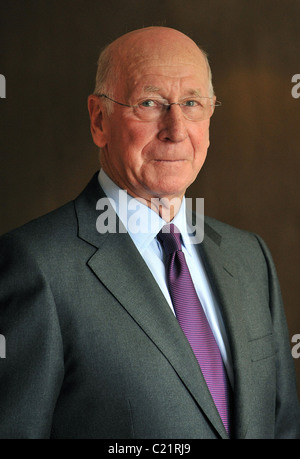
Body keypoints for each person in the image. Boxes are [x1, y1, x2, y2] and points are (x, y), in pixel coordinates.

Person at [0, 26, 299, 439]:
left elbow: (283, 426)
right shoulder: (35, 266)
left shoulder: (251, 257)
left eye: (192, 103)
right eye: (150, 103)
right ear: (99, 119)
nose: (175, 129)